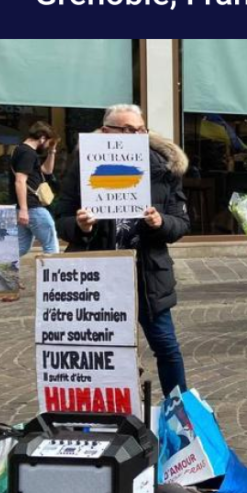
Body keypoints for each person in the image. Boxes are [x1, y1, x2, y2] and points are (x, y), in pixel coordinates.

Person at [53, 104, 191, 396]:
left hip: (148, 275)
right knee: (102, 350)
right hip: (97, 276)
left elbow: (181, 223)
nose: (136, 136)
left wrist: (161, 222)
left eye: (140, 130)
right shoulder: (84, 164)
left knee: (166, 346)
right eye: (128, 130)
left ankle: (179, 411)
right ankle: (110, 410)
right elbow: (61, 218)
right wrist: (81, 226)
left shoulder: (162, 168)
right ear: (106, 131)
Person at [12, 121, 60, 259]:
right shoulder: (28, 153)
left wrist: (52, 151)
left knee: (21, 248)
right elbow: (20, 181)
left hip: (26, 208)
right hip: (33, 207)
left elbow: (46, 171)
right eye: (48, 142)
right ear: (42, 138)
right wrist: (24, 209)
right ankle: (53, 273)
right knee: (51, 248)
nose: (47, 146)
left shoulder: (21, 150)